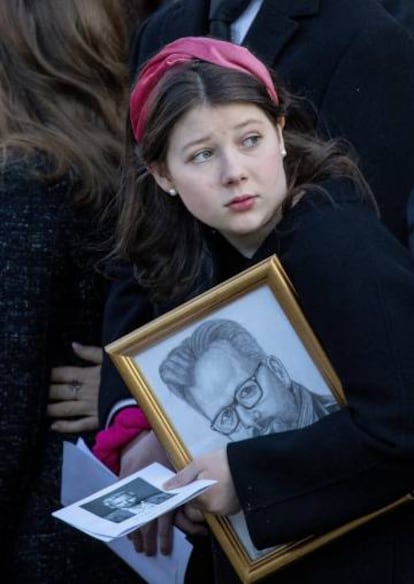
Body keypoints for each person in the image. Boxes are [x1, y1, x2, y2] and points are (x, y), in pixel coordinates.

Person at [94, 36, 414, 583]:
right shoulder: (204, 254)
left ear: (282, 135)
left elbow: (401, 424)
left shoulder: (337, 244)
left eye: (250, 139)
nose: (234, 171)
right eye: (201, 155)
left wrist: (243, 477)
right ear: (163, 176)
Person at [0, 1, 142, 581]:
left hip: (39, 533)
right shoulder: (131, 170)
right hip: (112, 527)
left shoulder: (26, 189)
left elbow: (8, 407)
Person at [159, 319, 338, 438]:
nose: (248, 421)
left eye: (247, 391)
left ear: (277, 371)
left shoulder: (347, 416)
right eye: (226, 415)